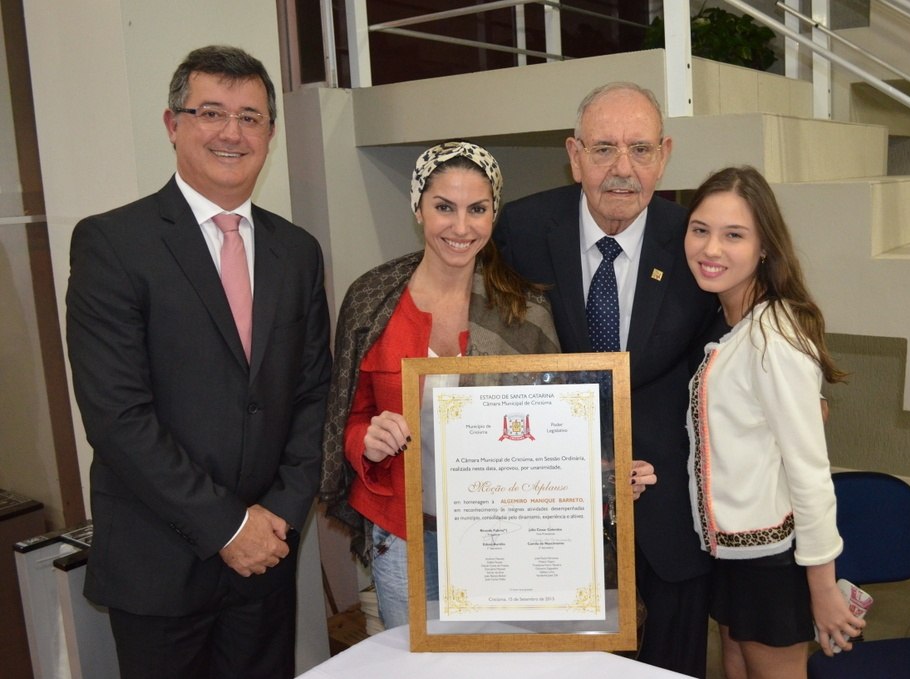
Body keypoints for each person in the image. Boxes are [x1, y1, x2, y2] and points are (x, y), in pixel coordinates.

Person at [65, 46, 332, 679]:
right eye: (211, 112)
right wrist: (225, 525)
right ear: (173, 124)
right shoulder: (113, 244)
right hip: (161, 563)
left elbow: (313, 394)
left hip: (267, 559)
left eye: (251, 116)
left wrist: (280, 519)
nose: (232, 133)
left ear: (269, 132)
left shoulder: (295, 251)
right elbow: (117, 416)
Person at [493, 82, 720, 676]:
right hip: (556, 513)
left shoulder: (697, 238)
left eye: (641, 149)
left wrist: (802, 387)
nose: (623, 169)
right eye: (604, 150)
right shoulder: (520, 228)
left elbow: (747, 325)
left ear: (665, 154)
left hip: (669, 514)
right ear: (573, 155)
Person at [319, 141, 570, 629]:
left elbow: (556, 430)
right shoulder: (373, 301)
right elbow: (349, 415)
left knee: (495, 663)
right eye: (443, 208)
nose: (460, 227)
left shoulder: (524, 311)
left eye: (477, 209)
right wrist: (365, 441)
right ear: (418, 209)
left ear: (493, 214)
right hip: (401, 531)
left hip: (501, 536)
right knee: (417, 665)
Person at [683, 166, 865, 679]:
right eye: (700, 230)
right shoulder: (735, 325)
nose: (711, 249)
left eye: (733, 235)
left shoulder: (773, 336)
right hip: (735, 552)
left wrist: (823, 588)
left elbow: (810, 472)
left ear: (765, 247)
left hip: (772, 562)